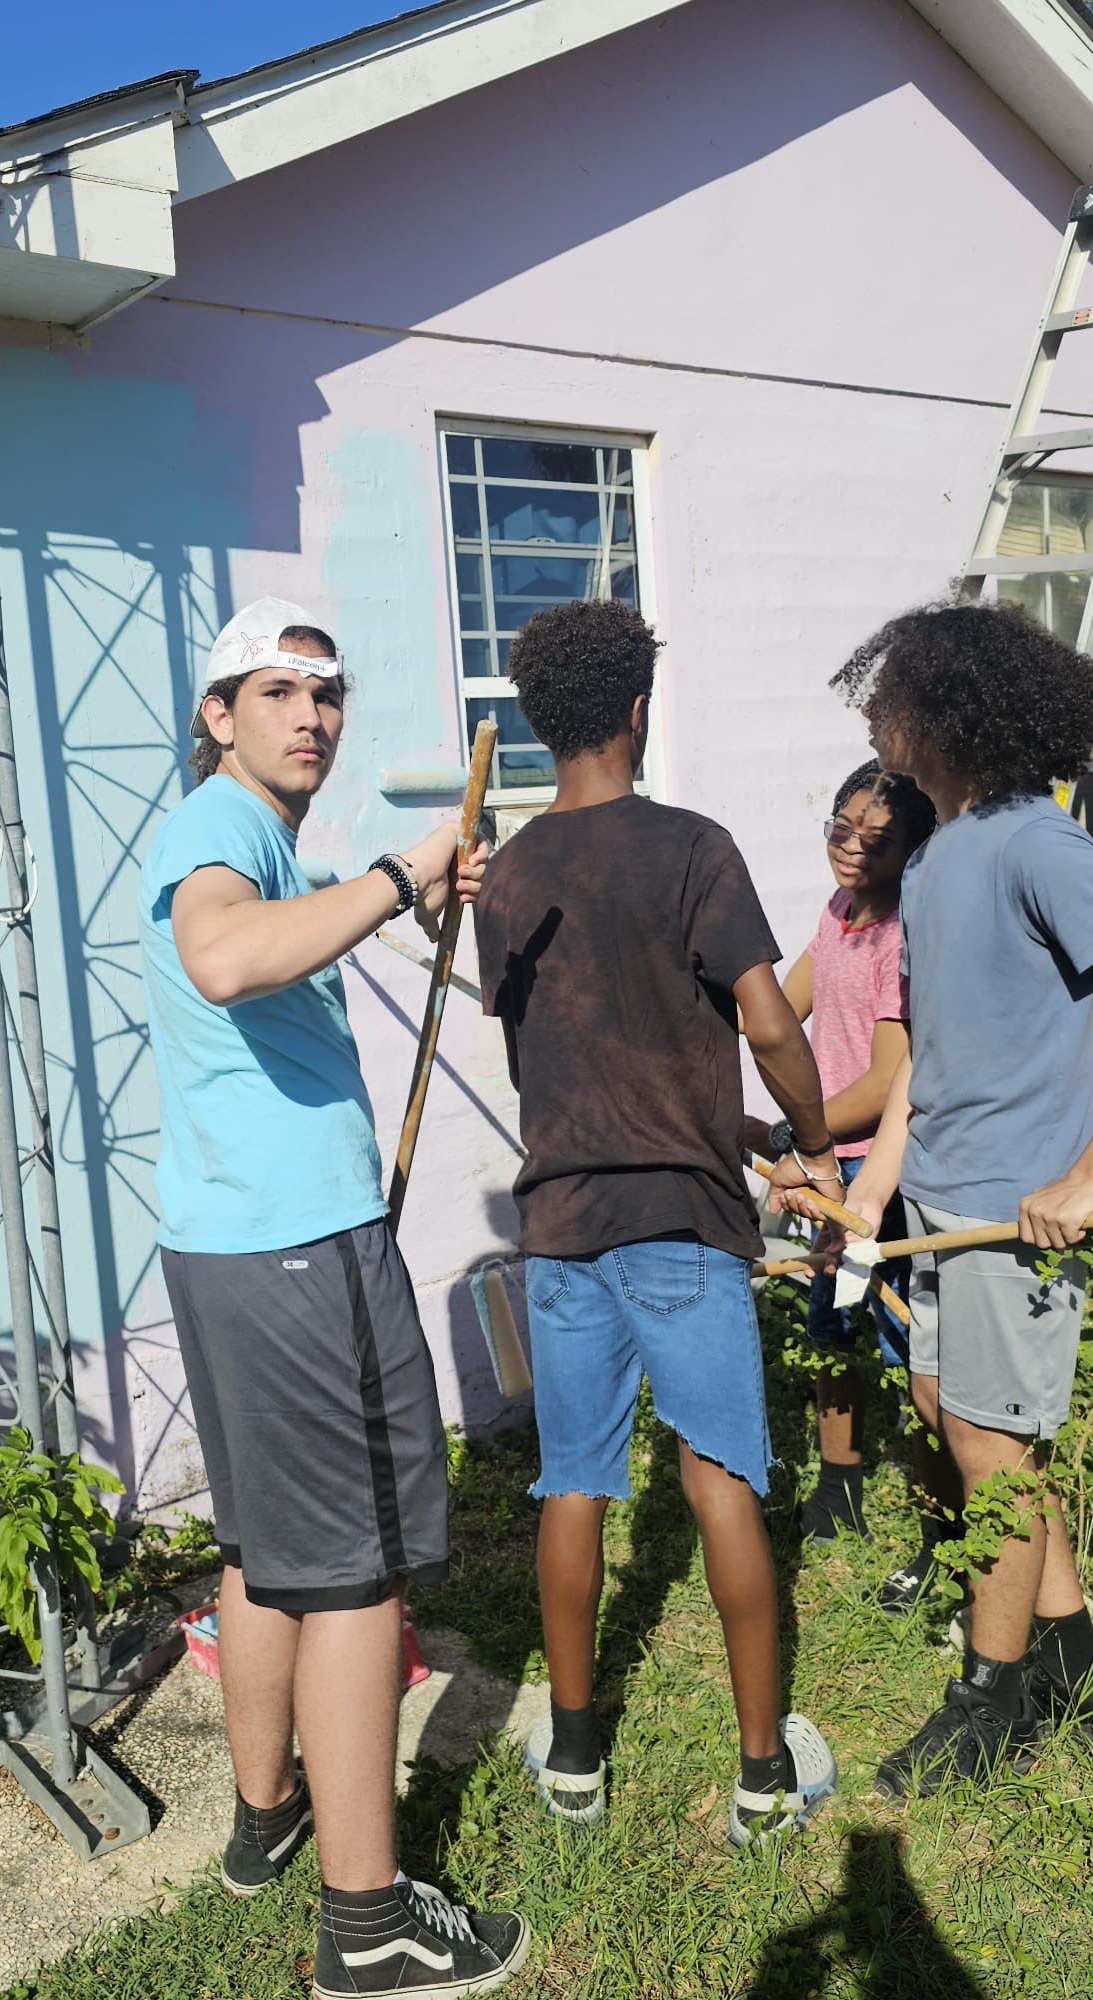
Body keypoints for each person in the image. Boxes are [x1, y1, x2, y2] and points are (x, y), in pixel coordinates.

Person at [138, 597, 528, 2000]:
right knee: (356, 1573)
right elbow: (225, 955)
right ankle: (367, 1923)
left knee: (265, 1554)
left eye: (330, 690)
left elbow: (262, 955)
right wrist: (390, 871)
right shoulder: (216, 831)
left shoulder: (250, 835)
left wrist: (393, 900)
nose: (313, 711)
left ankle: (267, 1815)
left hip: (242, 1243)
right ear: (218, 712)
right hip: (295, 1254)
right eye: (279, 687)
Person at [474, 596, 837, 1848]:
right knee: (721, 1477)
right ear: (636, 708)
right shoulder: (692, 845)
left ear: (540, 724)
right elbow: (767, 1026)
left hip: (564, 1224)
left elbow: (582, 1060)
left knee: (571, 1481)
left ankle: (573, 1756)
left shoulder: (506, 871)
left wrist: (728, 1129)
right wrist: (813, 1141)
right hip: (679, 1227)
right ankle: (758, 1777)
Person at [827, 598, 1093, 1798]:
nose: (873, 713)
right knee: (958, 1413)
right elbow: (926, 1050)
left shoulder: (1040, 844)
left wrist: (1083, 1178)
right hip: (935, 1191)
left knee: (994, 1450)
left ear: (945, 707)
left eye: (887, 694)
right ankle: (1072, 1646)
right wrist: (877, 1177)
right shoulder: (933, 855)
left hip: (1014, 1207)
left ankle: (992, 1698)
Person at [746, 760, 938, 1553]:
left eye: (879, 840)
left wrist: (799, 1140)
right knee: (832, 1328)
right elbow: (778, 1012)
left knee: (906, 1344)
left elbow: (887, 1080)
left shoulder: (904, 933)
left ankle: (944, 1528)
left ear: (915, 849)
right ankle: (839, 1491)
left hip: (874, 1171)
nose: (854, 849)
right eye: (842, 828)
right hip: (830, 1160)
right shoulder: (840, 911)